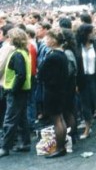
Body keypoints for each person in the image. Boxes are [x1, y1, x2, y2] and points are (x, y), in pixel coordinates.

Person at [0, 28, 32, 157]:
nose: (8, 39)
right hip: (23, 90)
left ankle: (5, 147)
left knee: (10, 119)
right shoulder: (23, 52)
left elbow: (20, 75)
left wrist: (12, 89)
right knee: (22, 118)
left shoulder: (17, 54)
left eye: (10, 37)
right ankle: (25, 143)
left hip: (16, 91)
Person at [38, 28, 69, 158]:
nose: (46, 40)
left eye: (49, 38)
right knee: (60, 118)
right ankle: (61, 146)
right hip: (59, 90)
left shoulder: (53, 56)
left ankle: (60, 147)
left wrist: (43, 76)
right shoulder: (61, 54)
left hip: (52, 91)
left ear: (55, 40)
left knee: (57, 120)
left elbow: (47, 75)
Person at [75, 24, 96, 140]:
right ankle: (87, 127)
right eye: (91, 32)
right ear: (85, 34)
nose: (93, 34)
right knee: (85, 105)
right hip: (83, 79)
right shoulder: (78, 47)